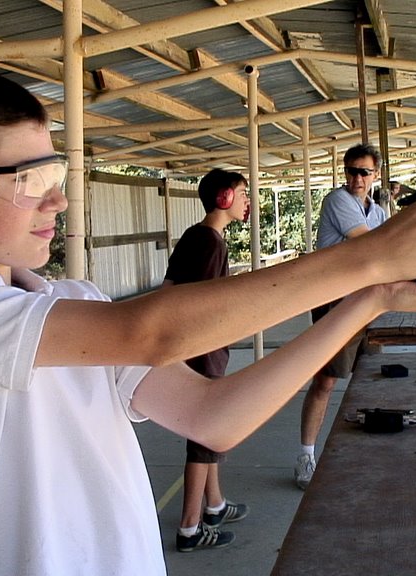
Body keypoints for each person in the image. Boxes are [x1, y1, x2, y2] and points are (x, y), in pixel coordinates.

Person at [0, 67, 416, 576]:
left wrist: (372, 295)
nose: (57, 200)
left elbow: (213, 418)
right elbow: (150, 332)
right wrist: (366, 256)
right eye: (28, 181)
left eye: (55, 177)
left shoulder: (75, 299)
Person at [161, 168, 251, 552]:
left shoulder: (198, 236)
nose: (248, 201)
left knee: (208, 433)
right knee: (203, 436)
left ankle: (213, 506)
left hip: (196, 349)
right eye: (243, 193)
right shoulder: (210, 243)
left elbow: (168, 290)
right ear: (224, 198)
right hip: (203, 350)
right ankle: (189, 528)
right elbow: (200, 306)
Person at [295, 143, 388, 490]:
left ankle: (360, 454)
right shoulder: (338, 201)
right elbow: (369, 244)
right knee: (327, 380)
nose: (356, 178)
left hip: (366, 300)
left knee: (368, 379)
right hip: (335, 299)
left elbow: (387, 242)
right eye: (351, 171)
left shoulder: (376, 211)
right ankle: (306, 454)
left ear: (375, 175)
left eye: (364, 172)